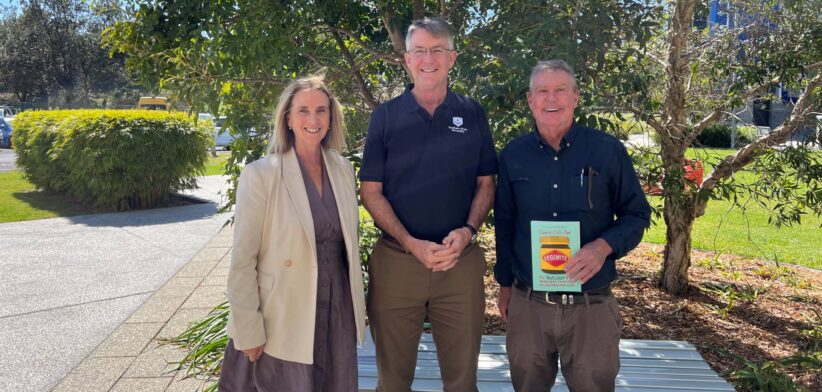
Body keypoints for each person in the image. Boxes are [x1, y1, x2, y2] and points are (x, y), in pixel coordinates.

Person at [494, 60, 651, 391]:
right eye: (543, 91)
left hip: (590, 307)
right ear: (530, 100)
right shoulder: (513, 156)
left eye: (560, 90)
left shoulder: (607, 151)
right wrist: (505, 285)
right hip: (529, 306)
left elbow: (637, 215)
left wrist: (602, 246)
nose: (552, 99)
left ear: (576, 97)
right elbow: (505, 225)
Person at [359, 17, 498, 392]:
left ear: (452, 58)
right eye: (419, 50)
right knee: (391, 382)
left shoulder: (472, 113)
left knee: (462, 381)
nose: (428, 58)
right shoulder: (385, 117)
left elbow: (486, 184)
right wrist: (410, 242)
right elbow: (370, 191)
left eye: (437, 49)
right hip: (397, 263)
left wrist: (468, 232)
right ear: (407, 59)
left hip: (459, 264)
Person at [219, 76, 366, 392]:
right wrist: (248, 330)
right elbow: (243, 261)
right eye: (303, 110)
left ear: (331, 117)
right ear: (287, 118)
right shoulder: (261, 175)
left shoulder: (342, 168)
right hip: (282, 316)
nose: (313, 120)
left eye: (321, 110)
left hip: (335, 311)